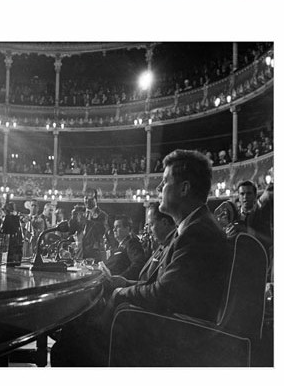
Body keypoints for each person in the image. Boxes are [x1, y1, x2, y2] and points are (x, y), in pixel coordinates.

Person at [51, 149, 228, 366]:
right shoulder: (193, 227)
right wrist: (126, 283)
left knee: (72, 339)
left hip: (170, 334)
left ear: (184, 188)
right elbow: (169, 287)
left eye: (165, 181)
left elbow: (165, 295)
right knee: (76, 323)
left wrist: (120, 292)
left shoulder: (197, 232)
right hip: (164, 323)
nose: (158, 188)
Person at [69, 188, 109, 262]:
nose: (87, 200)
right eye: (86, 197)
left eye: (90, 198)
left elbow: (102, 230)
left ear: (96, 199)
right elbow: (71, 230)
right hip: (79, 253)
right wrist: (73, 217)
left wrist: (87, 222)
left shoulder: (102, 215)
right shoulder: (79, 213)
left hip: (94, 254)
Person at [103, 215, 147, 280]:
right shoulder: (119, 245)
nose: (114, 229)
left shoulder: (132, 243)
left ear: (127, 228)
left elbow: (138, 264)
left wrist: (121, 278)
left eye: (118, 227)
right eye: (114, 227)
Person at [236, 180, 273, 251]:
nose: (245, 196)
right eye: (242, 194)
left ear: (255, 195)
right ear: (238, 196)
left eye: (249, 193)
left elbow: (269, 240)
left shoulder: (263, 215)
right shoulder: (233, 215)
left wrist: (247, 230)